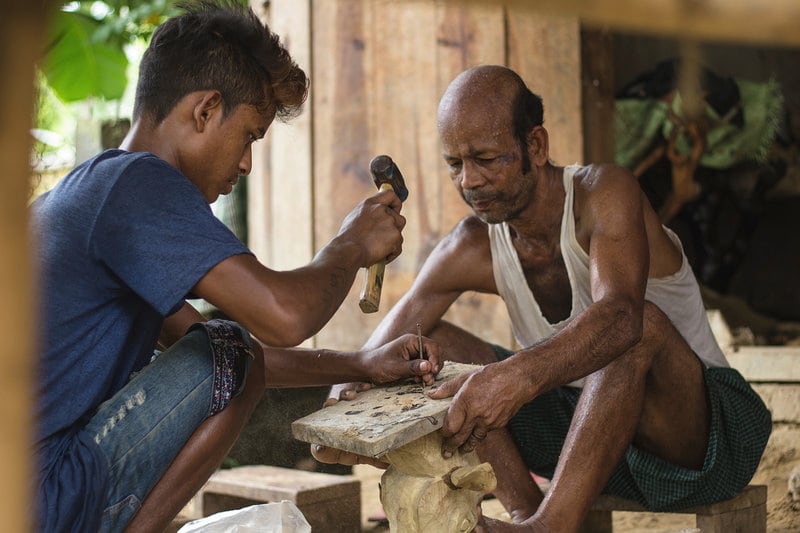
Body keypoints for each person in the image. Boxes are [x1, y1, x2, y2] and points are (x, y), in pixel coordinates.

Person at [29, 2, 442, 532]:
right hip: (44, 496)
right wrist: (351, 244)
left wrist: (362, 364)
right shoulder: (136, 185)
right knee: (231, 347)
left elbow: (219, 355)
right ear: (205, 111)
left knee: (227, 350)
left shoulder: (94, 194)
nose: (246, 164)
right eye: (248, 135)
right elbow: (280, 320)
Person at [315, 64, 772, 531]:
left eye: (486, 159)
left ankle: (551, 526)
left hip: (700, 443)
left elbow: (620, 319)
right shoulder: (470, 245)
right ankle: (525, 511)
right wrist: (344, 405)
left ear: (535, 145)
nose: (468, 181)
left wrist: (515, 375)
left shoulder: (603, 193)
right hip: (587, 439)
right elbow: (380, 354)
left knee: (638, 327)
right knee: (425, 345)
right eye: (455, 164)